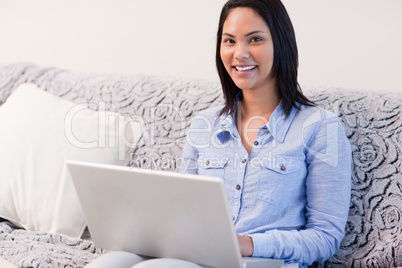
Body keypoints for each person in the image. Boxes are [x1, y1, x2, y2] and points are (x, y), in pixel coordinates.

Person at [180, 0, 352, 267]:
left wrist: (249, 245)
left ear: (281, 44)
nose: (240, 53)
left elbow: (325, 237)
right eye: (229, 41)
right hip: (201, 258)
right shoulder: (204, 124)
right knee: (117, 259)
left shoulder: (320, 127)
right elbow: (184, 213)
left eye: (255, 39)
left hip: (265, 262)